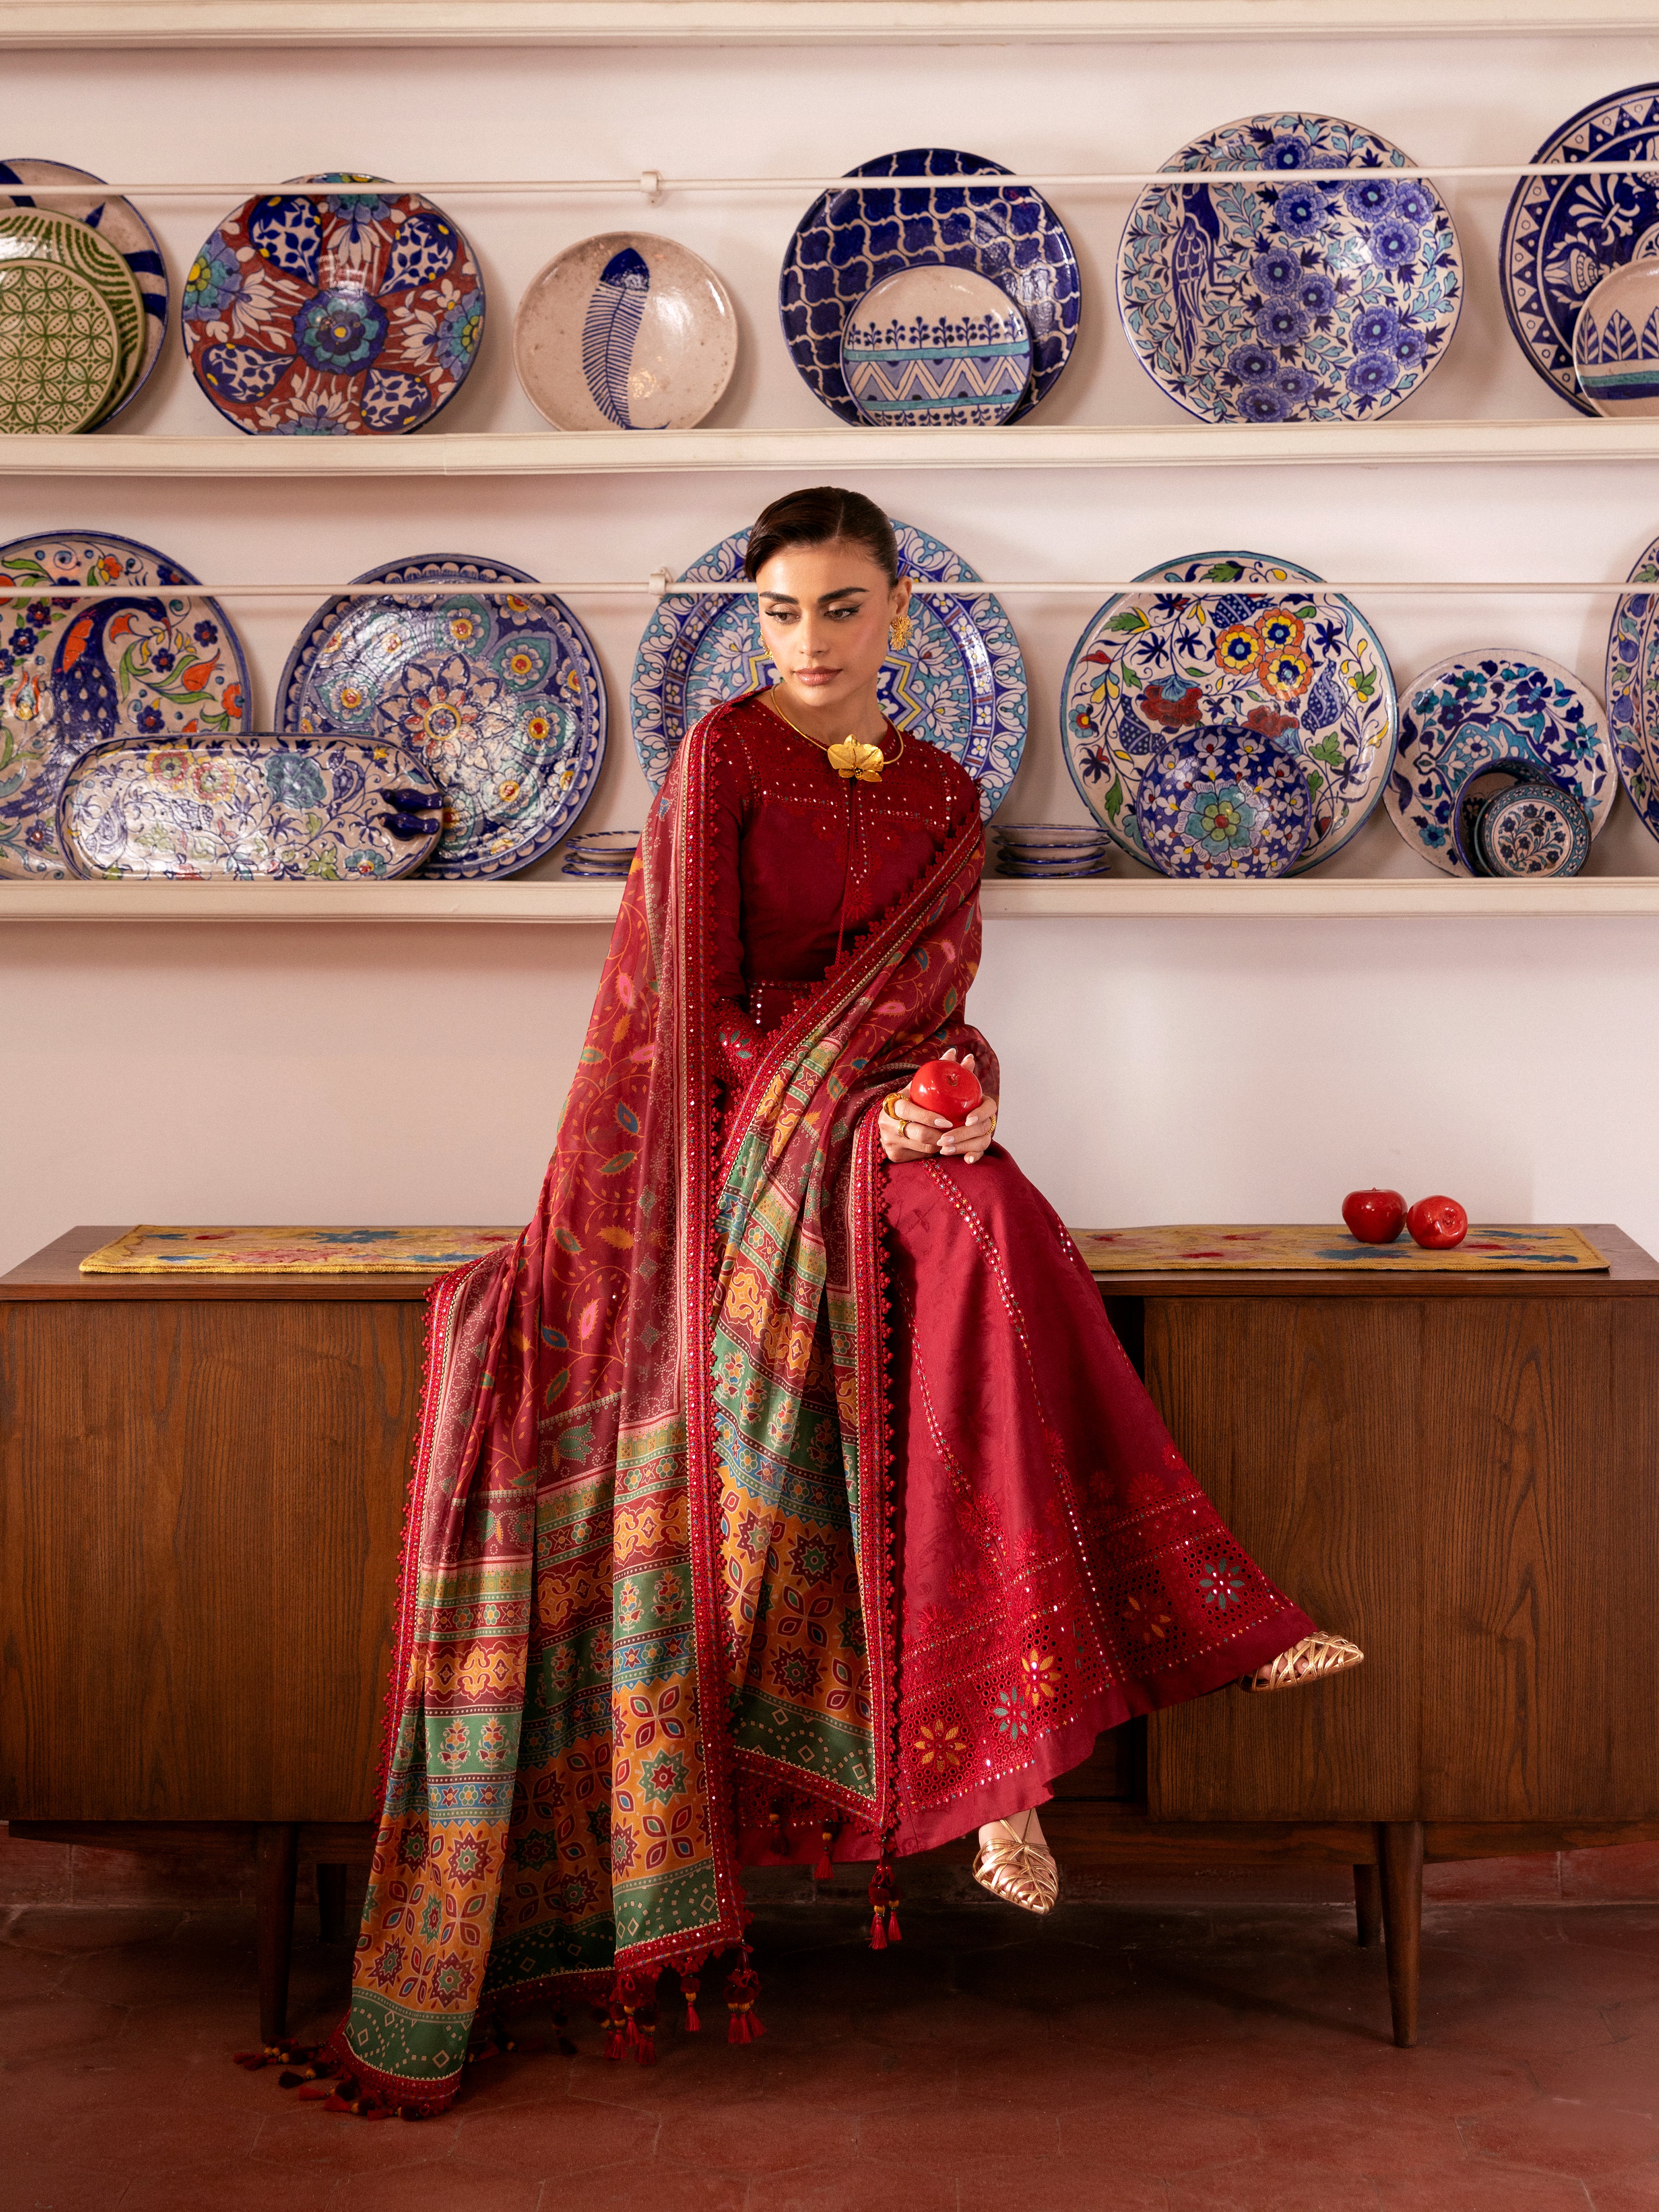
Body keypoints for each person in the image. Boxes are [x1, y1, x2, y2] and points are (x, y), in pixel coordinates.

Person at [312, 487, 1360, 2116]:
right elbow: (693, 1004)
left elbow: (943, 1000)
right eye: (783, 611)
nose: (809, 641)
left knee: (993, 1221)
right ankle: (1120, 1694)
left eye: (841, 609)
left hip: (886, 1125)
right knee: (983, 1235)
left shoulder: (944, 789)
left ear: (898, 613)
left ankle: (1018, 1770)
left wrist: (964, 1094)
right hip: (745, 1142)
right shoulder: (722, 759)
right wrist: (852, 1117)